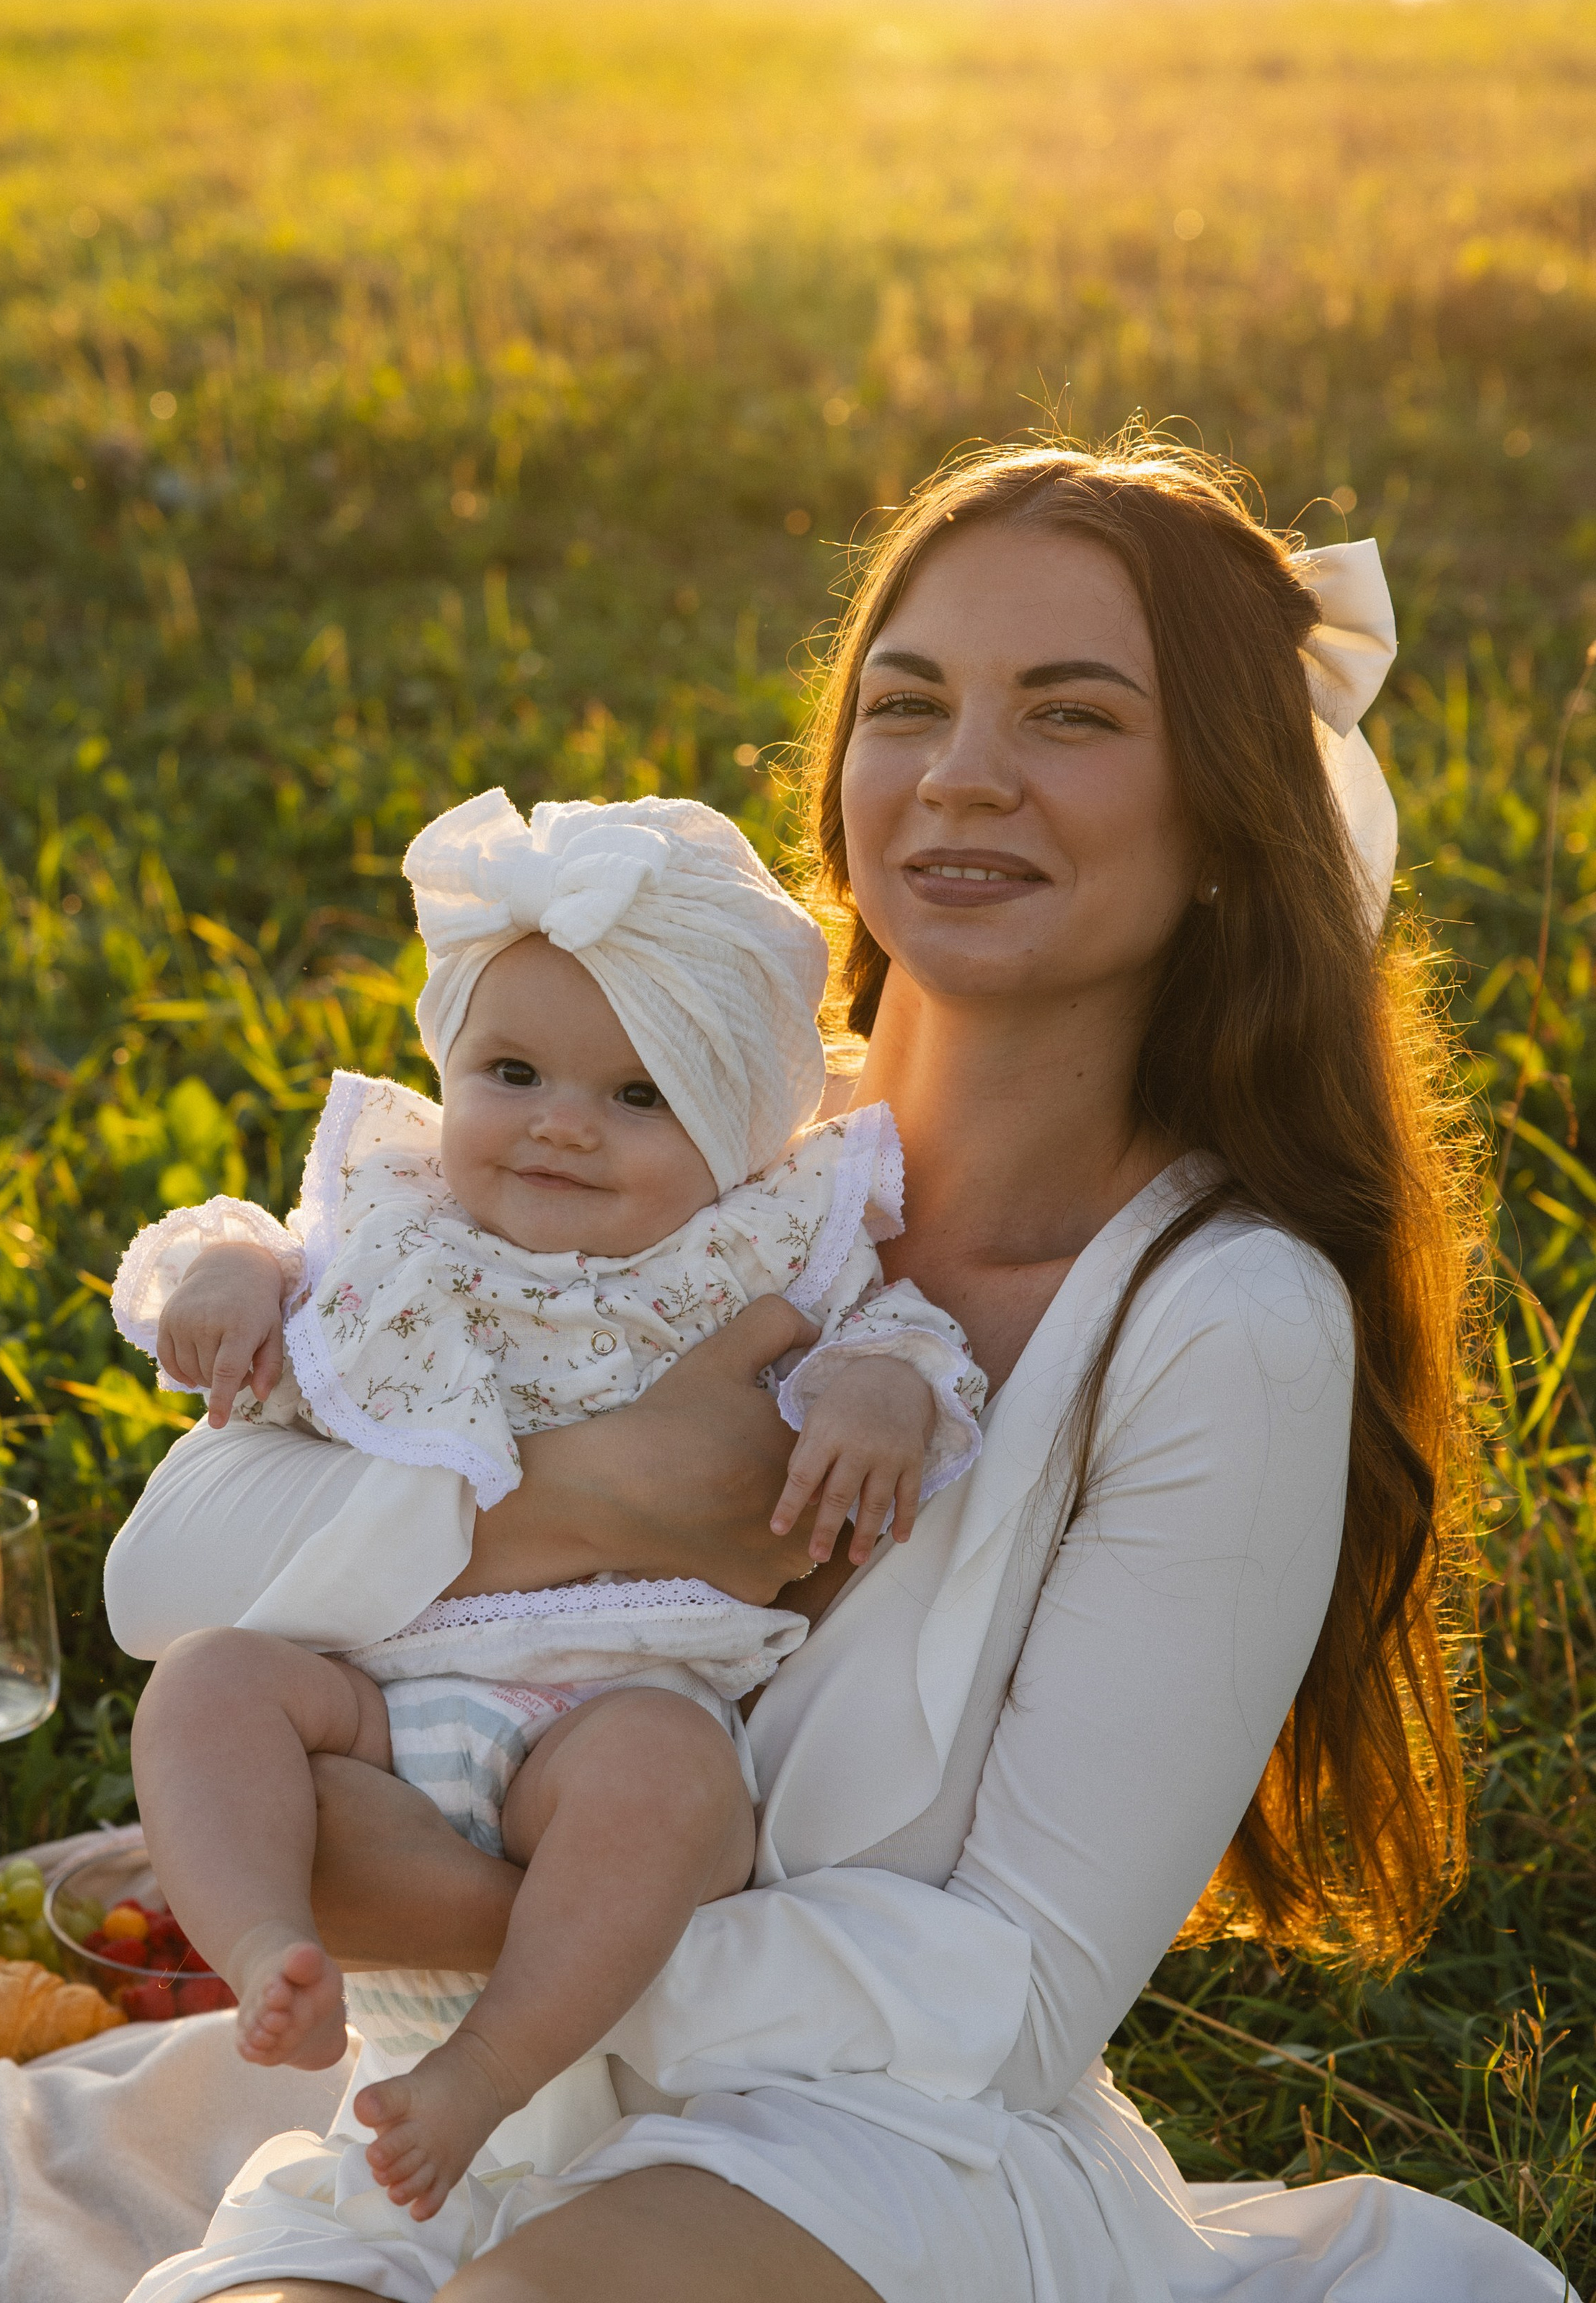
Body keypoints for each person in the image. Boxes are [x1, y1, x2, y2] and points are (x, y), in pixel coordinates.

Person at [107, 439, 1571, 2303]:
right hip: (460, 2115)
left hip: (873, 2148)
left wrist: (508, 1930)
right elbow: (162, 1584)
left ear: (1225, 821)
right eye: (911, 703)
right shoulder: (682, 1164)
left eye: (1073, 717)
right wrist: (604, 1496)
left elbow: (1018, 1996)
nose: (965, 774)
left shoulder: (1220, 1323)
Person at [113, 790, 983, 2219]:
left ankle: (484, 2069)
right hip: (383, 1710)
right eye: (510, 1073)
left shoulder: (757, 1255)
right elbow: (247, 1251)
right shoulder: (398, 1228)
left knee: (668, 1783)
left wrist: (878, 1391)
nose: (561, 1130)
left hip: (606, 1709)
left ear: (744, 1136)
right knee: (209, 1689)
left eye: (638, 1097)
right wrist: (222, 1281)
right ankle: (272, 1948)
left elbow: (904, 1343)